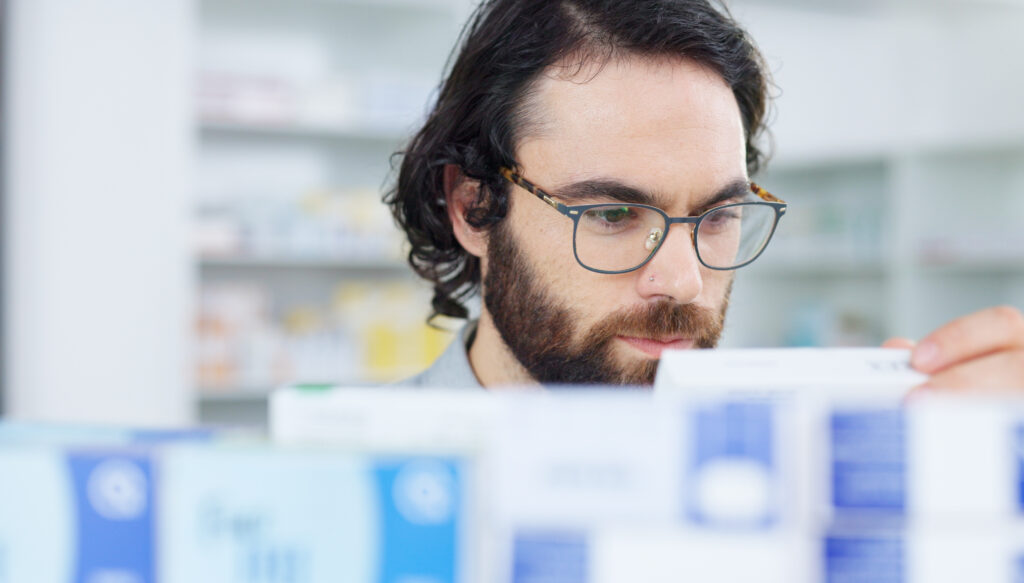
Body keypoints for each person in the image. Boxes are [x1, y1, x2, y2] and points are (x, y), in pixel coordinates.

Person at [386, 0, 1024, 390]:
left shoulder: (803, 471)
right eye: (612, 213)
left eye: (718, 215)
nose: (685, 282)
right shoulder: (331, 477)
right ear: (473, 208)